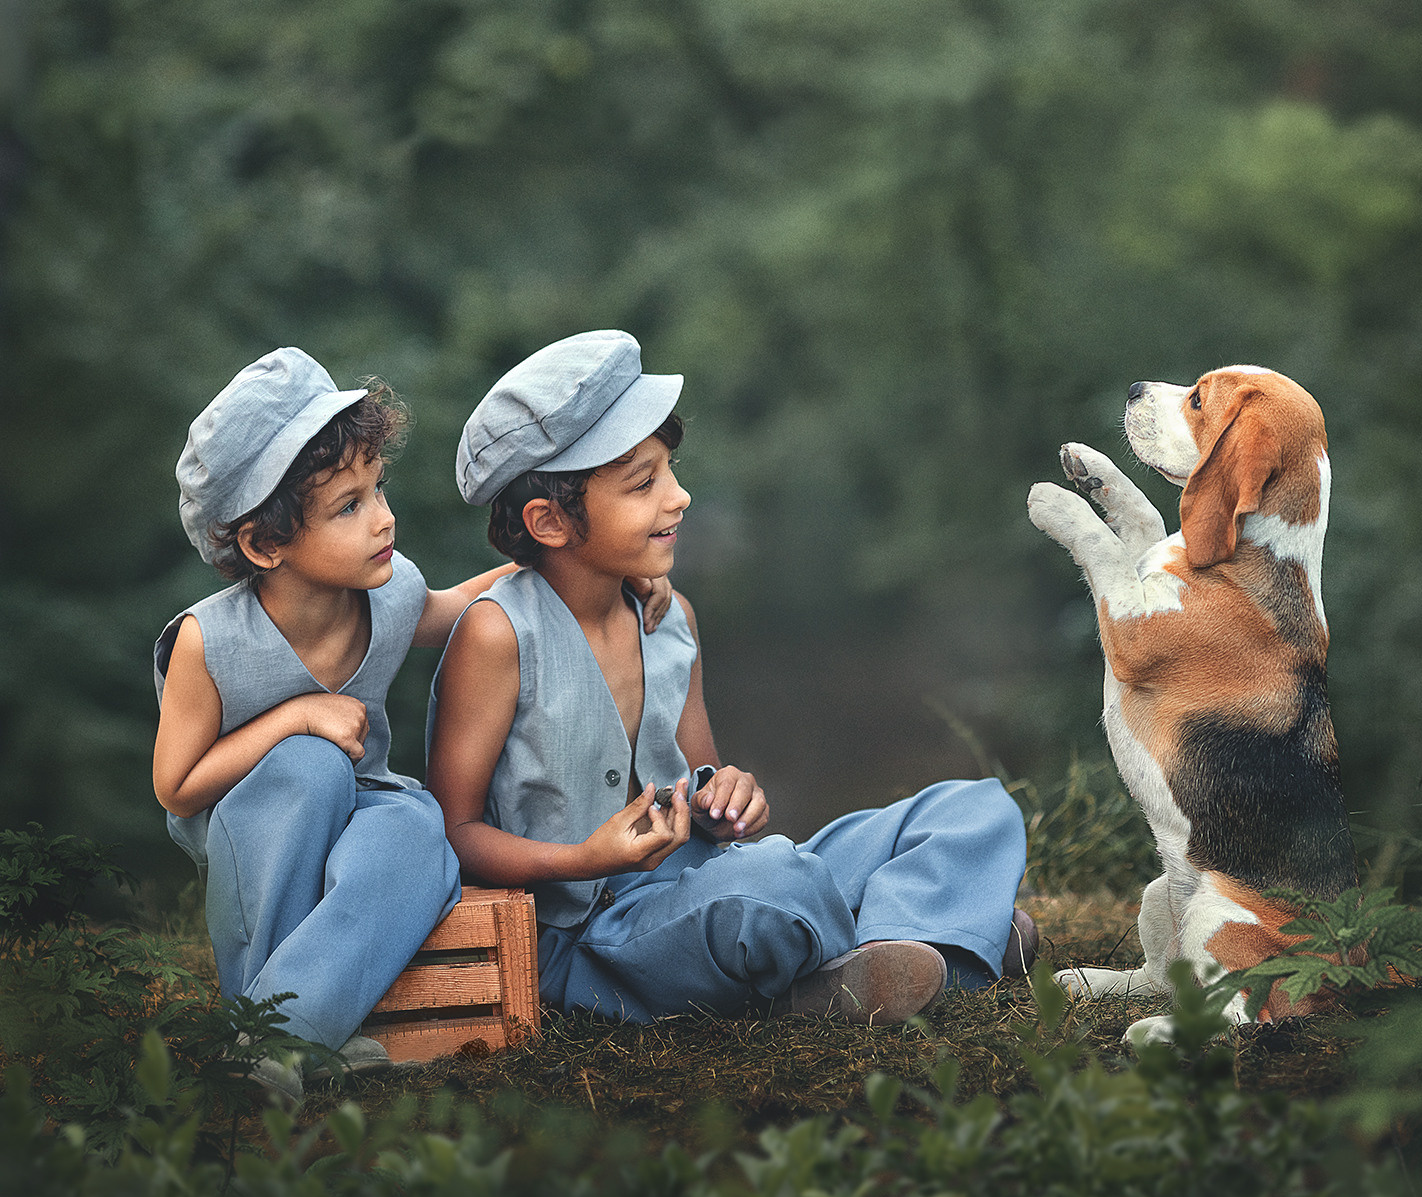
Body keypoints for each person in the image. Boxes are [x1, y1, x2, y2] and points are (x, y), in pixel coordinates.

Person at [426, 330, 1035, 1026]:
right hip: (592, 941)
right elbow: (456, 832)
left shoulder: (669, 615)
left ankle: (890, 961)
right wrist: (582, 858)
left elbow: (703, 780)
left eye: (670, 470)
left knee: (975, 810)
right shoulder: (497, 634)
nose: (680, 497)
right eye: (643, 484)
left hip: (706, 883)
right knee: (772, 886)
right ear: (550, 522)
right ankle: (941, 943)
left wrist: (728, 795)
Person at [151, 347, 673, 1103]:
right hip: (257, 824)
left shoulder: (390, 591)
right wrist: (294, 718)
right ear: (266, 544)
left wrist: (607, 565)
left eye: (377, 488)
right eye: (348, 507)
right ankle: (258, 1020)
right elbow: (176, 787)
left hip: (362, 794)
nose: (383, 518)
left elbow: (464, 603)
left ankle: (293, 1038)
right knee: (309, 766)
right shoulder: (210, 642)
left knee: (416, 831)